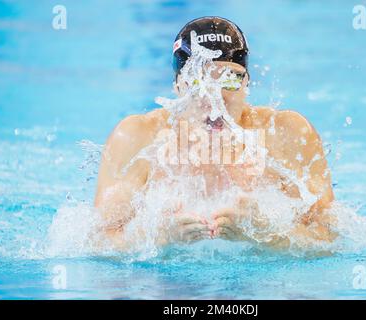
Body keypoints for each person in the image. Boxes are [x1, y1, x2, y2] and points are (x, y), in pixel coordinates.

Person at [94, 16, 336, 251]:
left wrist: (267, 235)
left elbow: (330, 238)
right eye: (198, 81)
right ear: (178, 86)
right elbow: (96, 241)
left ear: (247, 83)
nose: (216, 96)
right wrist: (158, 237)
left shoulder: (285, 134)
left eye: (230, 79)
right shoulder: (139, 137)